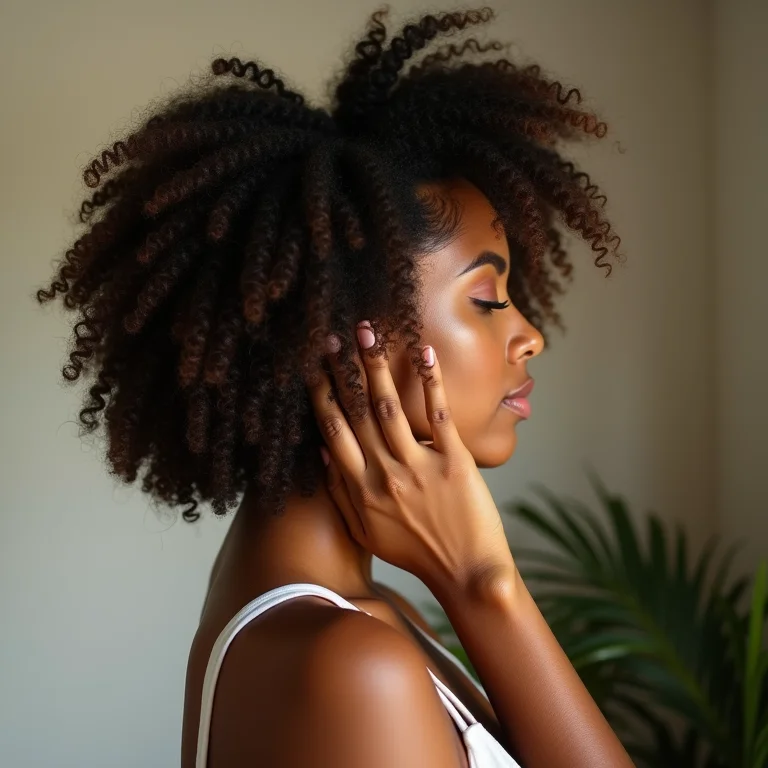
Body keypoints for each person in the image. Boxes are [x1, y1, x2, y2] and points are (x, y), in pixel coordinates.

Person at [37, 5, 634, 766]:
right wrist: (486, 586)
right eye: (487, 299)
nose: (529, 333)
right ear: (346, 334)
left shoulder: (363, 614)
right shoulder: (351, 666)